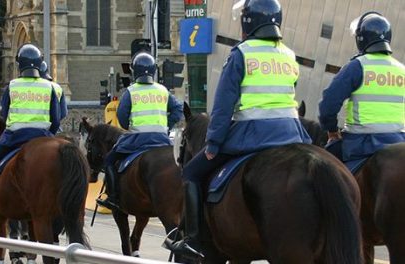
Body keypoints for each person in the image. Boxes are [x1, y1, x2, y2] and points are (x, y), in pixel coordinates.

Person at [167, 0, 311, 257]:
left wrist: (213, 143)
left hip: (251, 134)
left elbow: (223, 105)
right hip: (291, 132)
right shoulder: (289, 55)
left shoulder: (241, 53)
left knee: (191, 172)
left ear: (248, 22)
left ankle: (193, 239)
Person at [0, 43, 60, 213]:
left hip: (15, 136)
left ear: (20, 65)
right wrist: (49, 135)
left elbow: (4, 117)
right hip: (42, 137)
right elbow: (56, 119)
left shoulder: (12, 86)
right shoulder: (49, 86)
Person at [95, 52, 183, 211]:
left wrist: (131, 127)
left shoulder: (131, 91)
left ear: (135, 71)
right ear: (154, 70)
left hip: (137, 139)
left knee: (109, 159)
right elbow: (178, 109)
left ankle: (113, 198)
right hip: (161, 139)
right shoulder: (163, 90)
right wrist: (166, 126)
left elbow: (122, 116)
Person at [318, 12, 405, 164]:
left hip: (360, 143)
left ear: (361, 39)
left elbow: (328, 105)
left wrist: (332, 130)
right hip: (399, 142)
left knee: (321, 169)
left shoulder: (357, 66)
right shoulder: (401, 70)